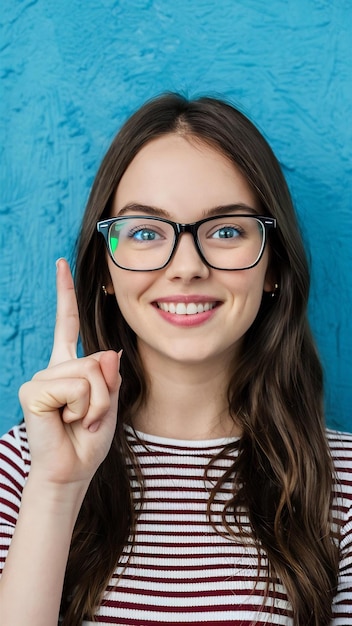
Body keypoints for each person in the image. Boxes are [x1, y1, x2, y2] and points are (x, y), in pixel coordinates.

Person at [0, 93, 351, 626]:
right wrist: (55, 487)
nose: (186, 266)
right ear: (105, 272)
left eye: (227, 230)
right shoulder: (22, 468)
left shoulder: (343, 483)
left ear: (273, 266)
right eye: (145, 232)